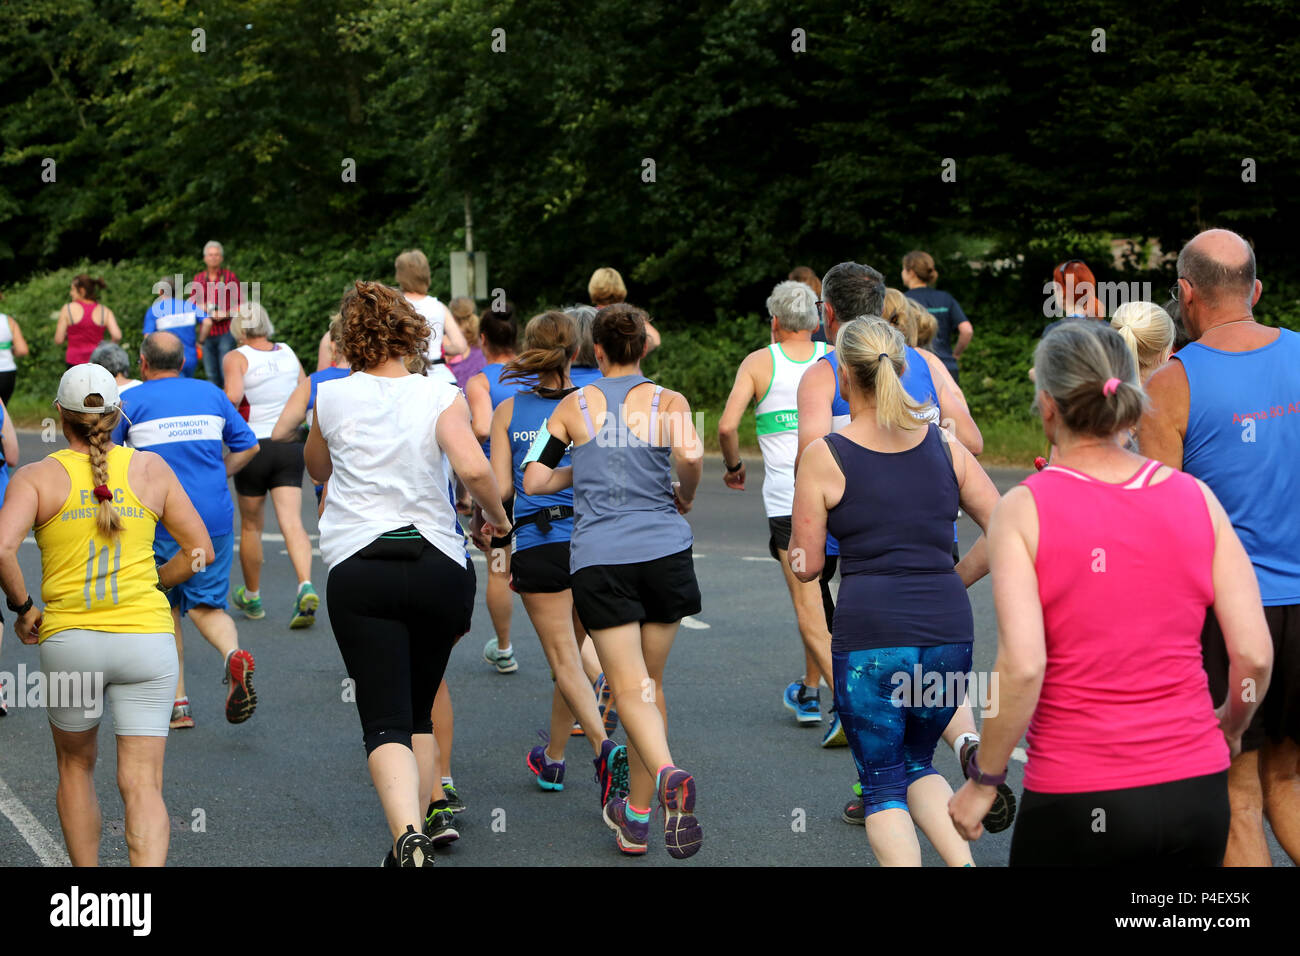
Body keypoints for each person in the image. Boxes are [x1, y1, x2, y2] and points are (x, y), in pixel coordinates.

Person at [950, 321, 1274, 865]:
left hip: (1079, 795)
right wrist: (1231, 728)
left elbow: (1024, 665)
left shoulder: (1026, 511)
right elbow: (1255, 655)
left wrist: (985, 778)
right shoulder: (1196, 498)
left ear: (1048, 405)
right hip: (1194, 788)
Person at [796, 262, 1007, 832]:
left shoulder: (824, 371)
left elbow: (807, 453)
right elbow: (975, 441)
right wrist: (929, 444)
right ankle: (963, 742)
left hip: (863, 542)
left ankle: (879, 785)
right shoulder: (930, 363)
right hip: (936, 536)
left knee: (880, 675)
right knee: (927, 656)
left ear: (829, 313)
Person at [306, 280, 510, 867]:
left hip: (361, 566)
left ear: (351, 338)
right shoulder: (437, 393)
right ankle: (418, 824)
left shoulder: (333, 396)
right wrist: (497, 521)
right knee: (419, 710)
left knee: (386, 719)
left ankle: (407, 836)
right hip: (438, 568)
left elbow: (316, 465)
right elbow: (472, 468)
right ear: (410, 333)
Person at [0, 364, 213, 865]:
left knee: (75, 768)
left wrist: (24, 607)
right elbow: (199, 549)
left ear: (59, 414)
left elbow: (3, 550)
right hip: (147, 641)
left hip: (71, 641)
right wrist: (157, 581)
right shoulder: (151, 470)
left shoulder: (35, 477)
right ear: (118, 415)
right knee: (143, 783)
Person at [1140, 228, 1300, 866]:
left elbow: (1162, 529)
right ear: (1256, 290)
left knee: (1239, 801)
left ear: (1184, 294)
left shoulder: (1170, 385)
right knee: (1287, 782)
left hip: (1231, 621)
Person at [524, 303, 703, 860]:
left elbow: (532, 478)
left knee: (626, 692)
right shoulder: (670, 401)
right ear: (644, 347)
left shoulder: (573, 406)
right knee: (652, 684)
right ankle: (640, 818)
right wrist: (686, 494)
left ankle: (669, 771)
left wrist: (584, 463)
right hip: (665, 551)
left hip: (601, 558)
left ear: (595, 352)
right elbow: (692, 456)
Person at [490, 311, 630, 805]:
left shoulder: (508, 410)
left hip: (539, 541)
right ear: (576, 352)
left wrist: (493, 528)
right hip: (594, 540)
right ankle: (553, 758)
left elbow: (502, 489)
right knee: (568, 657)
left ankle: (603, 747)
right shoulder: (591, 405)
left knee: (563, 660)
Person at [116, 332, 261, 730]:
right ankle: (231, 652)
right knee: (205, 605)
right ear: (185, 361)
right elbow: (249, 446)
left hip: (158, 523)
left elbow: (110, 460)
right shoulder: (212, 395)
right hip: (211, 518)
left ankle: (178, 703)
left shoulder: (130, 403)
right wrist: (219, 473)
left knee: (164, 607)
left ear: (143, 364)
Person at [718, 280, 830, 727]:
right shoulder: (834, 358)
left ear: (775, 323)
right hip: (842, 494)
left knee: (808, 604)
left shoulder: (759, 363)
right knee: (828, 598)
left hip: (790, 499)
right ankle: (809, 687)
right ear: (817, 321)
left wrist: (733, 466)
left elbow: (727, 426)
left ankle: (842, 702)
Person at [222, 303, 318, 628]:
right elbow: (306, 393)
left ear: (239, 327)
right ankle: (305, 584)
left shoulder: (237, 357)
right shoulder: (288, 352)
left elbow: (233, 397)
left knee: (251, 526)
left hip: (253, 447)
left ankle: (252, 597)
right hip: (288, 444)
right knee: (292, 521)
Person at [466, 305, 523, 674]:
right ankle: (573, 649)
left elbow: (484, 428)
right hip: (545, 483)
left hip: (498, 488)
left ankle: (504, 648)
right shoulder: (537, 373)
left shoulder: (481, 382)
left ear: (482, 339)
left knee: (499, 568)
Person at [271, 315, 350, 505]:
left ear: (333, 346)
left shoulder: (314, 383)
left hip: (327, 483)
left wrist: (308, 431)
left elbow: (280, 433)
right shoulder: (375, 378)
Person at [395, 249, 468, 385]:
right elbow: (461, 346)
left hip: (407, 378)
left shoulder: (396, 306)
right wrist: (439, 347)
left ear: (400, 276)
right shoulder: (439, 307)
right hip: (442, 379)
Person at [902, 251, 972, 384]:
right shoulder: (945, 298)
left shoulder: (902, 301)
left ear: (910, 272)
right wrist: (955, 355)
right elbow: (966, 330)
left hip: (914, 367)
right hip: (946, 367)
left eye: (903, 269)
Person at [190, 241, 241, 388]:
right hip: (206, 333)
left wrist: (226, 313)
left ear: (221, 258)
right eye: (210, 255)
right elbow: (191, 305)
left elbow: (240, 305)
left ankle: (230, 403)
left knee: (226, 371)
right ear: (205, 258)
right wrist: (207, 308)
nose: (213, 258)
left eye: (216, 255)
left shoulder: (230, 277)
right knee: (211, 374)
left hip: (226, 330)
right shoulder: (198, 279)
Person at [588, 267, 660, 355]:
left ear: (593, 287)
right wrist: (633, 355)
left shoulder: (588, 316)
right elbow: (655, 340)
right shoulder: (629, 314)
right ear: (620, 286)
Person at [144, 277, 206, 377]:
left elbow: (147, 337)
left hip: (166, 360)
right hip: (190, 358)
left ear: (160, 291)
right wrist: (200, 342)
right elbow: (207, 322)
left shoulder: (154, 310)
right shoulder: (189, 306)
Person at [56, 275, 121, 368]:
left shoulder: (68, 309)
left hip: (74, 362)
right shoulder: (104, 310)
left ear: (82, 291)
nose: (71, 293)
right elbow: (117, 336)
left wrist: (70, 335)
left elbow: (58, 340)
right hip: (98, 361)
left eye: (73, 290)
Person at [446, 297, 486, 390]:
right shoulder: (482, 339)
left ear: (452, 316)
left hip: (456, 398)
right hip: (480, 395)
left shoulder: (447, 340)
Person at [0, 301, 30, 405]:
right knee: (2, 411)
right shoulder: (8, 321)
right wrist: (10, 350)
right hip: (6, 373)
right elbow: (22, 350)